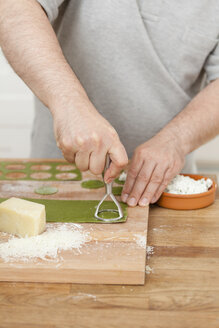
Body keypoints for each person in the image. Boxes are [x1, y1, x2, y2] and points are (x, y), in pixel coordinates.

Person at [0, 0, 219, 207]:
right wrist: (70, 104)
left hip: (165, 190)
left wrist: (176, 140)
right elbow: (14, 6)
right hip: (57, 178)